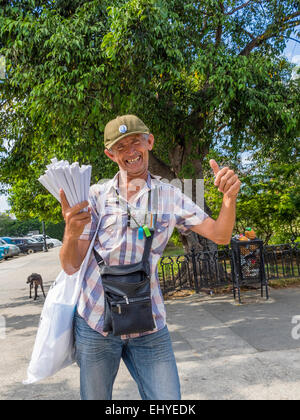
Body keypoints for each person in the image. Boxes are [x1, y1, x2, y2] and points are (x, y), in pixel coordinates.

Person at [59, 115, 241, 400]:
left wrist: (229, 199)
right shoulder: (94, 196)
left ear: (150, 141)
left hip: (149, 323)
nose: (130, 151)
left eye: (136, 142)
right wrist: (71, 231)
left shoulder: (170, 196)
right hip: (96, 323)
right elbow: (71, 265)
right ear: (110, 154)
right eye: (121, 147)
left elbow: (219, 234)